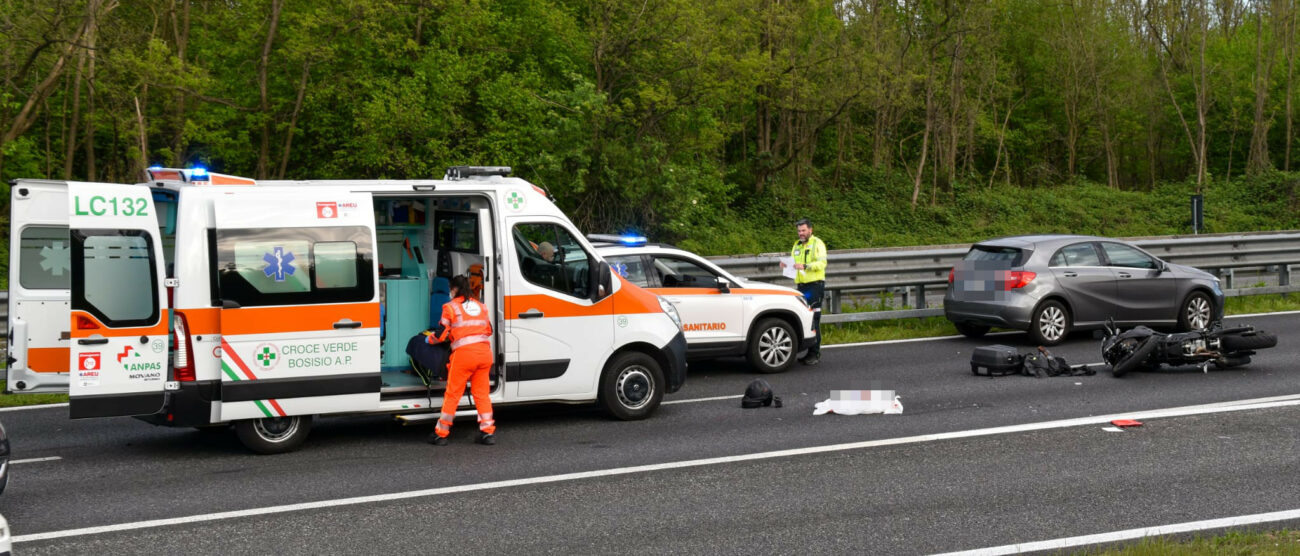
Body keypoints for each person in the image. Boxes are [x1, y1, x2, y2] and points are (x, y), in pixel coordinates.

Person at [427, 275, 497, 445]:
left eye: (451, 288)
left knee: (453, 394)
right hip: (484, 354)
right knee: (482, 394)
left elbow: (441, 334)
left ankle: (441, 433)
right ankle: (487, 432)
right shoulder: (481, 306)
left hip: (464, 356)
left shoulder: (450, 307)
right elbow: (488, 330)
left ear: (454, 289)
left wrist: (429, 340)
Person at [782, 218, 827, 365]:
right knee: (805, 319)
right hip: (801, 287)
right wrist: (785, 264)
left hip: (814, 286)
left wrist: (806, 266)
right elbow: (794, 263)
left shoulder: (817, 243)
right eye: (799, 231)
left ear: (810, 230)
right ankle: (808, 351)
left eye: (803, 230)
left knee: (814, 318)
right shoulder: (796, 245)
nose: (800, 233)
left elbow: (822, 263)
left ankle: (815, 353)